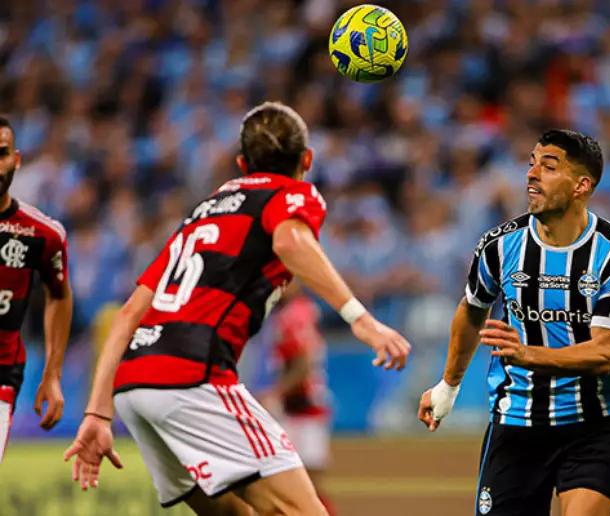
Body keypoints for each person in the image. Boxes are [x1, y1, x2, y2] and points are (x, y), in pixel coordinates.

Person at [63, 102, 412, 516]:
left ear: (242, 163)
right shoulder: (292, 194)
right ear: (307, 159)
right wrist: (361, 319)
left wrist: (96, 412)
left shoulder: (202, 213)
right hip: (194, 376)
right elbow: (288, 243)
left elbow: (126, 316)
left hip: (134, 383)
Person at [418, 129, 610, 516]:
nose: (532, 174)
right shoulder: (499, 245)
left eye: (548, 167)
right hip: (517, 421)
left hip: (593, 422)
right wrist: (448, 386)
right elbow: (472, 310)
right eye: (532, 163)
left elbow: (605, 352)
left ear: (581, 185)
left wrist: (528, 354)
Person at [0, 116, 73, 464]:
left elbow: (59, 295)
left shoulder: (42, 234)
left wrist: (53, 374)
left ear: (16, 159)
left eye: (1, 154)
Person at [259, 281, 336, 515]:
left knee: (303, 485)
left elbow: (303, 362)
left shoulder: (294, 314)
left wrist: (276, 392)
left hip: (302, 409)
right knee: (302, 486)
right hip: (302, 407)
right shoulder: (301, 310)